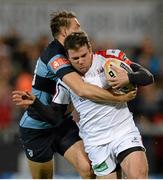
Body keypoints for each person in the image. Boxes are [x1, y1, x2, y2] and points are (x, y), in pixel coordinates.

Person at [13, 31, 154, 179]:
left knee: (138, 176)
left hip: (123, 132)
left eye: (84, 55)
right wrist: (35, 103)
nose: (80, 61)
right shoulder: (66, 81)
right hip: (96, 143)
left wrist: (129, 77)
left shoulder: (110, 59)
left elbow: (147, 77)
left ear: (90, 49)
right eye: (75, 58)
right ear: (68, 57)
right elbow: (55, 117)